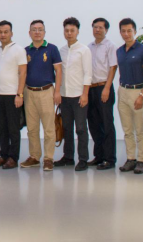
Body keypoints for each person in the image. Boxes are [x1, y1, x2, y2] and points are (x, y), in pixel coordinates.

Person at [19, 20, 62, 171]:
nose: (37, 32)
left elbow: (59, 71)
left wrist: (57, 92)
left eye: (40, 29)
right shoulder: (25, 51)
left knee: (49, 128)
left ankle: (49, 158)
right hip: (29, 92)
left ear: (44, 32)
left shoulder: (52, 49)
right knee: (32, 128)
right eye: (34, 29)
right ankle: (34, 156)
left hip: (46, 92)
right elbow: (22, 73)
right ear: (29, 33)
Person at [116, 18, 143, 175]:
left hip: (137, 91)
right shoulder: (119, 51)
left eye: (129, 31)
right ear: (120, 32)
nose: (126, 34)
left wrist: (141, 95)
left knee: (140, 129)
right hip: (122, 91)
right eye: (123, 31)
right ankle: (130, 158)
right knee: (127, 129)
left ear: (135, 31)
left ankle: (141, 160)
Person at [56, 17, 92, 172]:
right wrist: (58, 92)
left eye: (72, 30)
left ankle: (83, 159)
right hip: (64, 95)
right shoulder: (61, 51)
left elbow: (88, 73)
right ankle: (68, 157)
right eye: (66, 30)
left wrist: (85, 94)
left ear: (78, 32)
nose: (69, 33)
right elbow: (58, 73)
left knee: (81, 128)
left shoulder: (84, 50)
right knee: (66, 127)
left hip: (79, 95)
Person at [0, 21, 27, 170]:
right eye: (0, 32)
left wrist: (20, 94)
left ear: (11, 33)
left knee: (13, 128)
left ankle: (13, 158)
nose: (3, 35)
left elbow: (23, 73)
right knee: (1, 128)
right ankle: (4, 155)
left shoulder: (18, 50)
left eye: (6, 32)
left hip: (13, 95)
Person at [87, 17, 118, 170]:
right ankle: (98, 156)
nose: (97, 30)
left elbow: (113, 67)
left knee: (107, 124)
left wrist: (107, 88)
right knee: (93, 124)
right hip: (91, 89)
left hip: (104, 88)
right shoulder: (89, 47)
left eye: (100, 27)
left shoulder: (110, 46)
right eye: (95, 27)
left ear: (106, 30)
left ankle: (109, 158)